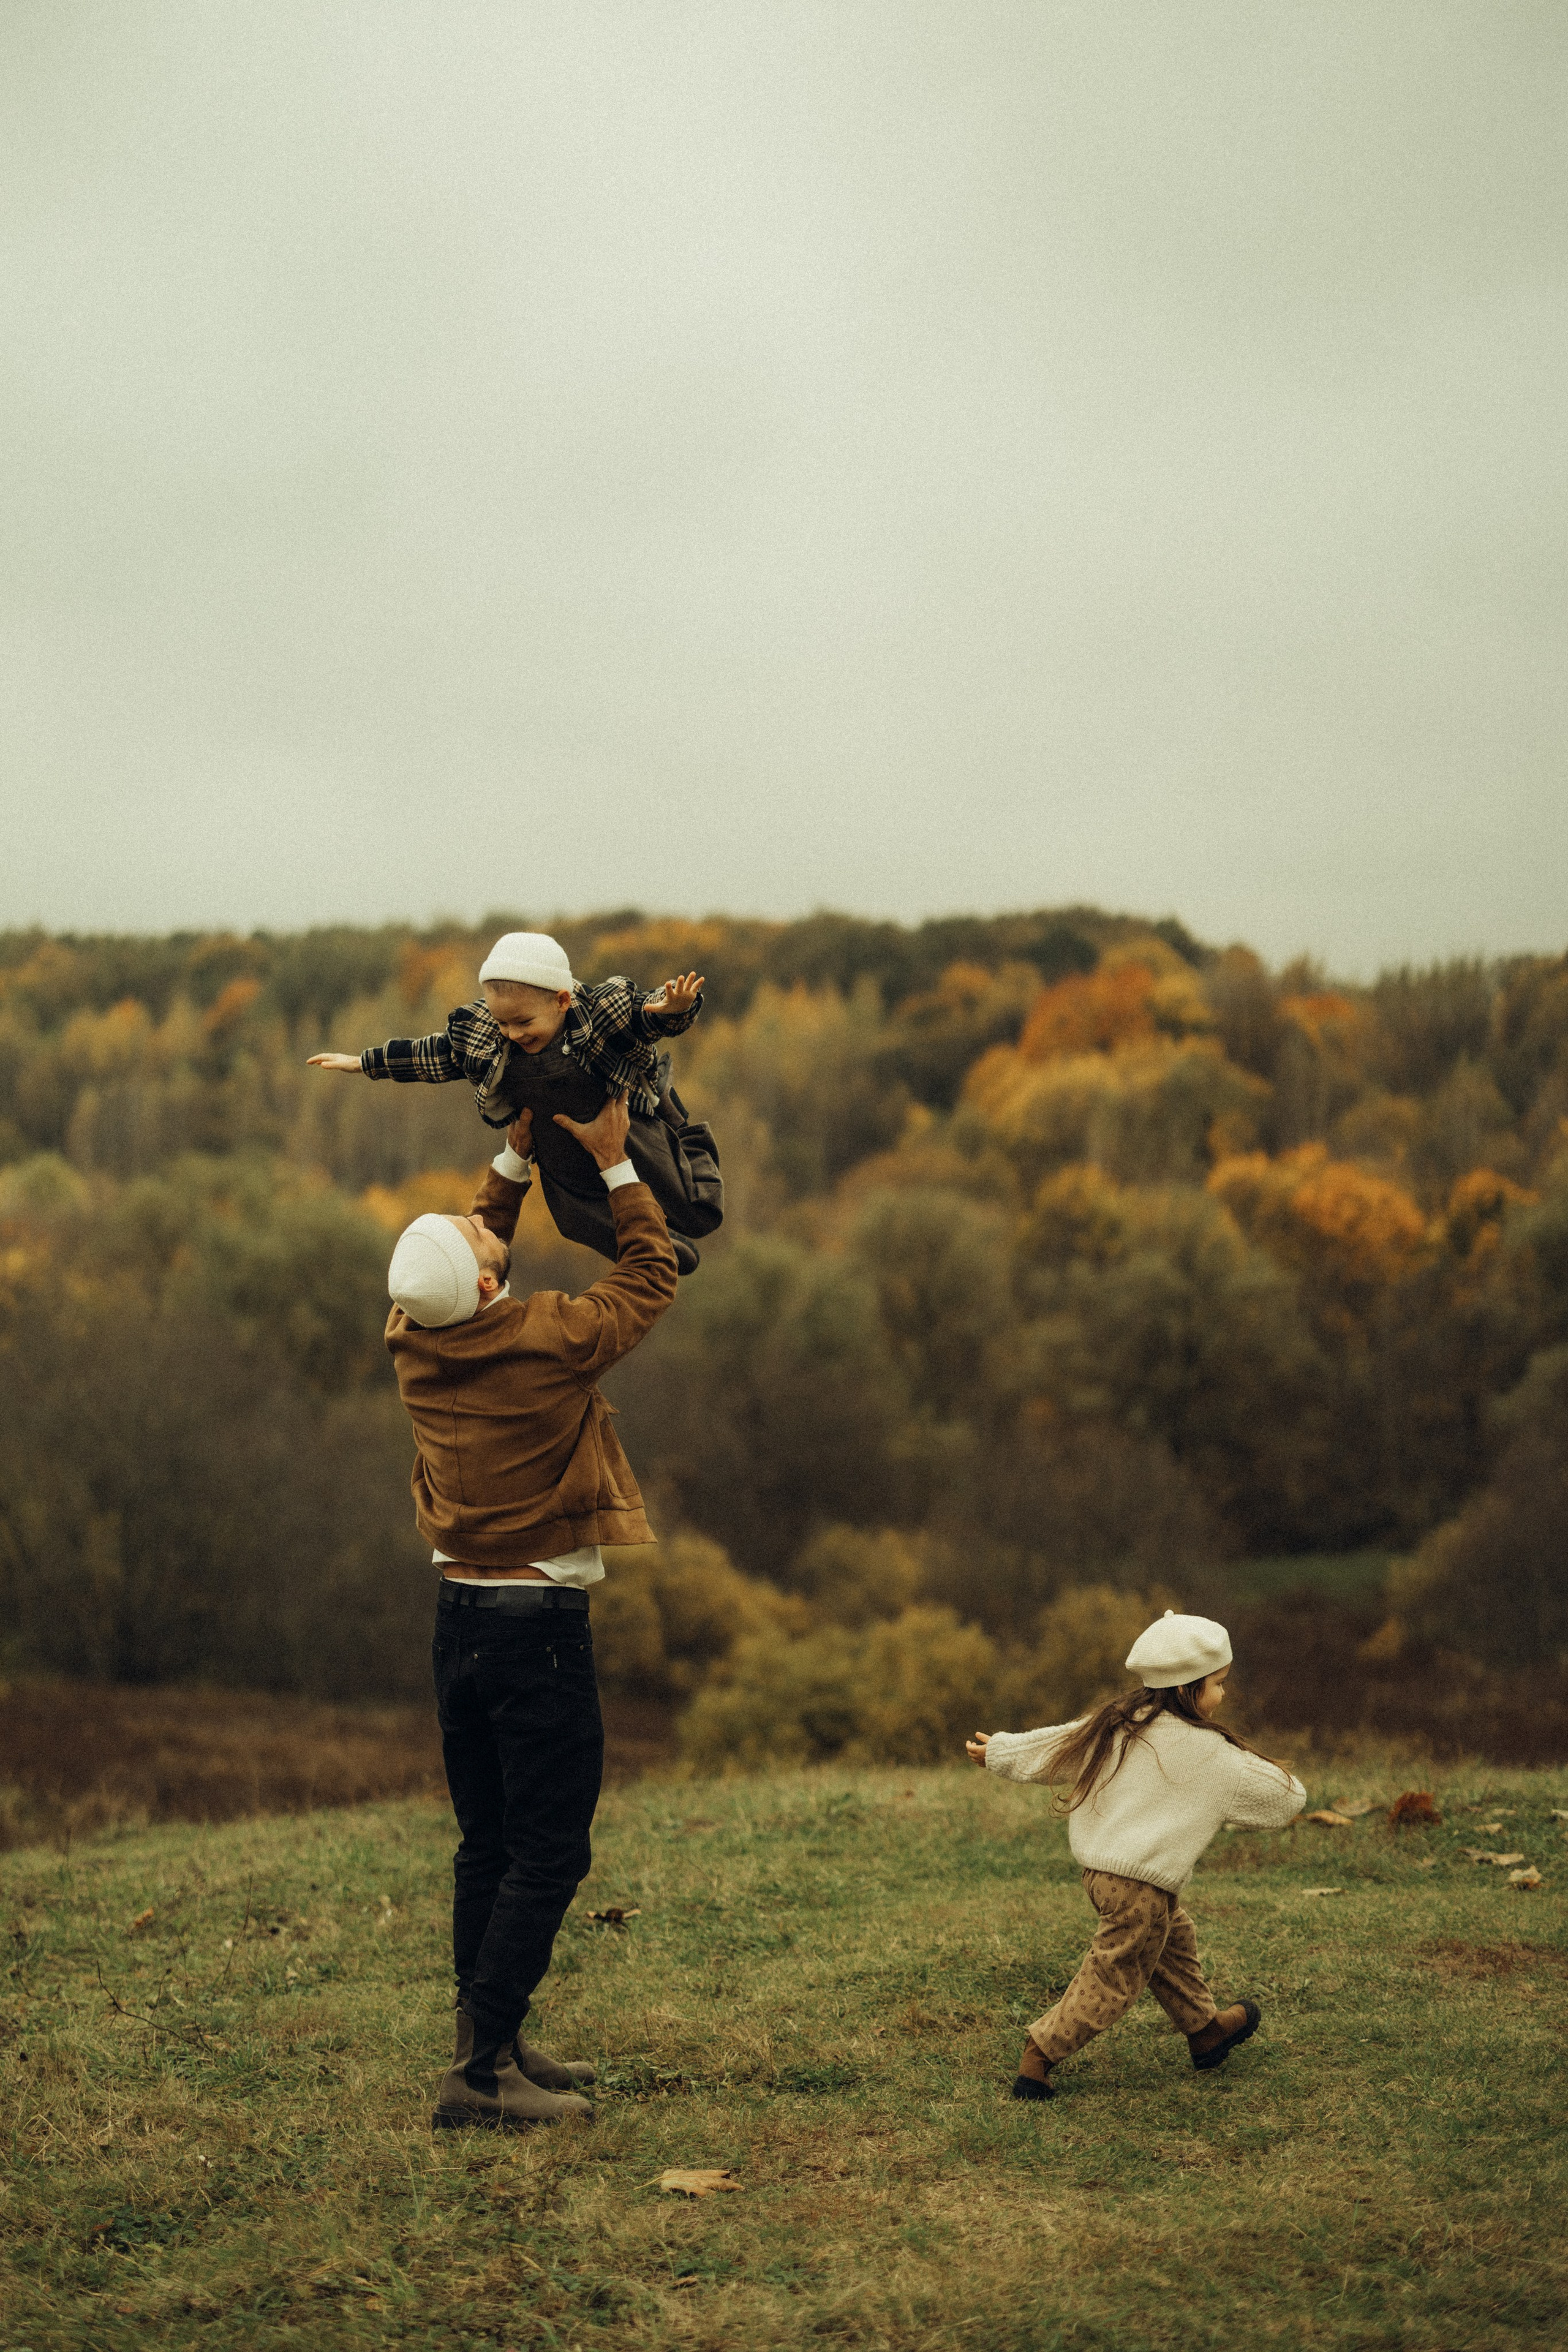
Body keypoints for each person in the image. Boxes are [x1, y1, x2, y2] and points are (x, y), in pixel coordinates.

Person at [383, 1089, 678, 2130]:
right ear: (493, 1282)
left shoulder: (414, 1340)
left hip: (457, 1622)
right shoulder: (551, 1343)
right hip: (534, 1632)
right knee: (551, 1852)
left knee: (489, 1845)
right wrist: (613, 1164)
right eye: (477, 1234)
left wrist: (508, 1169)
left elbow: (469, 1261)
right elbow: (652, 1275)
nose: (481, 1223)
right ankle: (475, 2079)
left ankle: (494, 2041)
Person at [967, 1609, 1306, 2101]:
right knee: (1114, 1976)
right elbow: (1287, 1800)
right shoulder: (1213, 1756)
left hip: (1102, 1873)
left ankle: (1206, 2031)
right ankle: (1038, 2055)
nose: (1223, 1694)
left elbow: (1057, 1746)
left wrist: (998, 1751)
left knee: (1172, 1938)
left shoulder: (1118, 1724)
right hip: (1140, 1885)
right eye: (1218, 1684)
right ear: (1189, 1688)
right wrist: (1262, 1777)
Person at [309, 930, 722, 1275]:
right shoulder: (485, 1033)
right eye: (502, 1022)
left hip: (624, 1131)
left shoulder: (597, 1013)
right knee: (578, 1220)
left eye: (523, 1023)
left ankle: (678, 1121)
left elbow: (644, 1015)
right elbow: (432, 1056)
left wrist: (675, 1009)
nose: (511, 1034)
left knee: (696, 1211)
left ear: (562, 1001)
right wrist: (364, 1062)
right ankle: (657, 1251)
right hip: (559, 1154)